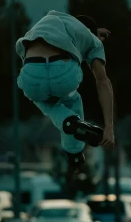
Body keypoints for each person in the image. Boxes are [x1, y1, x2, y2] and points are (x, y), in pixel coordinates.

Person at [16, 10, 115, 178]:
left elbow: (78, 30)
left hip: (32, 72)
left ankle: (67, 121)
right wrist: (109, 127)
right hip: (62, 72)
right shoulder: (93, 41)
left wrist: (94, 32)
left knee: (38, 97)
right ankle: (75, 153)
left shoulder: (51, 20)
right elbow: (102, 81)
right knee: (72, 100)